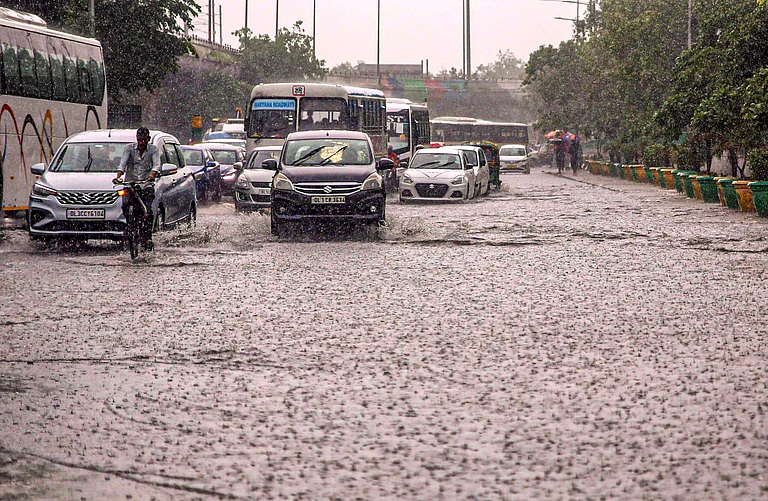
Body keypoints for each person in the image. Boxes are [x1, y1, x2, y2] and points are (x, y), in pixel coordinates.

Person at [113, 127, 160, 250]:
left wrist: (151, 176)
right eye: (139, 140)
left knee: (147, 210)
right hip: (130, 185)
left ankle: (147, 236)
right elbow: (122, 164)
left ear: (148, 139)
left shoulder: (153, 150)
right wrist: (118, 176)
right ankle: (130, 227)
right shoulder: (129, 148)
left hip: (146, 185)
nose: (141, 142)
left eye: (144, 140)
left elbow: (156, 165)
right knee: (125, 205)